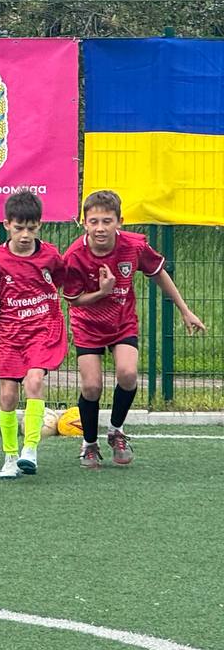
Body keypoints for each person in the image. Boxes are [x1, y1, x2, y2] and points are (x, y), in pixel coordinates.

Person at [60, 189, 206, 469]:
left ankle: (116, 431)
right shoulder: (75, 256)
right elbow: (73, 299)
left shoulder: (134, 246)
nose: (100, 228)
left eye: (107, 221)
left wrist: (185, 310)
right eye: (94, 221)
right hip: (87, 324)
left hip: (122, 322)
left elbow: (159, 273)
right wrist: (103, 292)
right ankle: (89, 444)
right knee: (92, 386)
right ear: (84, 223)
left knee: (127, 374)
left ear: (119, 221)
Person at [0, 190, 67, 479]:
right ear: (7, 225)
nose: (25, 235)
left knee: (34, 381)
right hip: (10, 333)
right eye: (19, 228)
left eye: (31, 228)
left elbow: (64, 281)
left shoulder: (50, 256)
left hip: (43, 328)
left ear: (39, 225)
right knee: (7, 396)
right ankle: (10, 456)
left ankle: (30, 449)